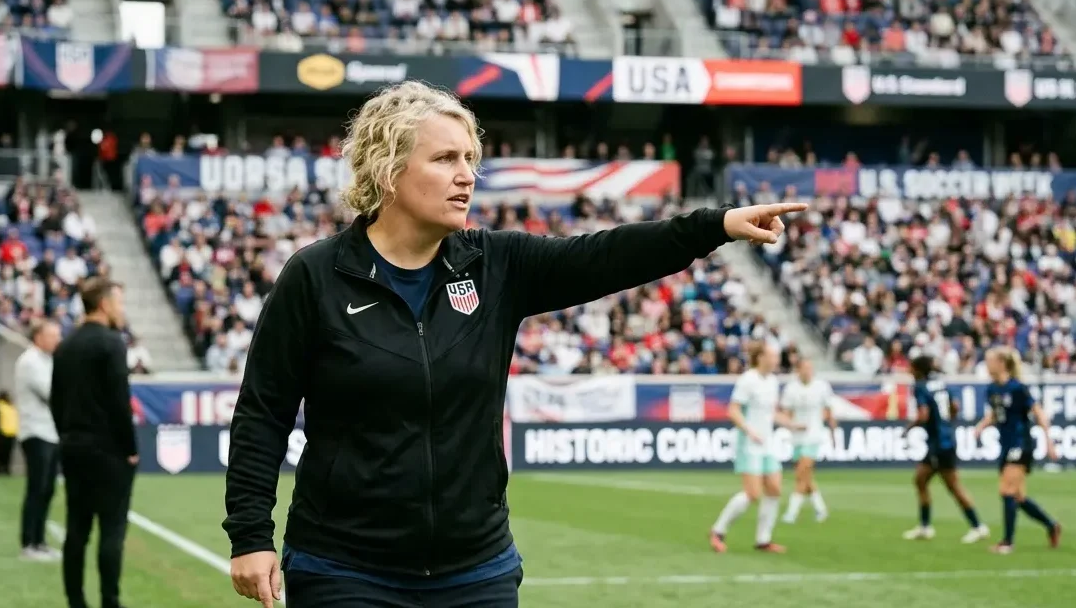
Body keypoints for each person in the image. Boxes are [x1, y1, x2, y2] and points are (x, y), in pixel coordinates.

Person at [222, 80, 807, 608]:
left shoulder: (494, 264)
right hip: (343, 570)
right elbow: (263, 413)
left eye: (470, 159)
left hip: (476, 571)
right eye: (446, 158)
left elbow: (604, 256)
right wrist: (251, 536)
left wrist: (716, 225)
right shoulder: (316, 277)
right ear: (388, 171)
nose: (467, 175)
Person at [51, 277, 138, 608]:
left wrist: (67, 436)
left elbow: (56, 400)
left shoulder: (65, 344)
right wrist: (130, 449)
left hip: (73, 446)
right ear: (103, 304)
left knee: (76, 530)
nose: (121, 309)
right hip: (108, 450)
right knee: (112, 530)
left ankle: (75, 601)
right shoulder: (111, 343)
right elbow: (120, 402)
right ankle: (109, 601)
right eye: (118, 302)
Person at [710, 342, 799, 554]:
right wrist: (749, 430)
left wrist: (791, 424)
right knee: (752, 493)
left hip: (767, 443)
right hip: (749, 443)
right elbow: (733, 411)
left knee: (775, 489)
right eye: (773, 356)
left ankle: (763, 540)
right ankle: (718, 531)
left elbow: (770, 413)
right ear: (760, 357)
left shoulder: (773, 381)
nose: (777, 360)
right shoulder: (748, 380)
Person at [973, 348, 1061, 554]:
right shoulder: (992, 389)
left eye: (989, 361)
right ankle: (1051, 525)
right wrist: (981, 426)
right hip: (1005, 444)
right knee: (1018, 497)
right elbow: (996, 413)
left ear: (1002, 363)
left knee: (1007, 491)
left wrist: (1049, 441)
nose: (986, 365)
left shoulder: (1018, 388)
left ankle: (1007, 542)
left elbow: (1038, 413)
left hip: (1021, 443)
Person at [901, 355, 988, 543]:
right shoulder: (941, 383)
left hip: (939, 445)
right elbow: (955, 406)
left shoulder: (920, 387)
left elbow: (923, 415)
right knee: (920, 480)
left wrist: (908, 428)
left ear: (917, 370)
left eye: (911, 368)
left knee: (951, 486)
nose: (909, 371)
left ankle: (977, 526)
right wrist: (947, 423)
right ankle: (925, 526)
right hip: (945, 439)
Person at [16, 320, 63, 561]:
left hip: (51, 432)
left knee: (48, 489)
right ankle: (28, 543)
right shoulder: (30, 361)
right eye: (53, 335)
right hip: (36, 432)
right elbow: (52, 393)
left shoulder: (48, 360)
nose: (58, 340)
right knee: (37, 487)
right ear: (38, 337)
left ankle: (40, 540)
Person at [780, 358, 837, 524]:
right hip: (796, 438)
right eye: (805, 368)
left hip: (813, 436)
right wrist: (791, 426)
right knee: (806, 476)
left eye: (810, 368)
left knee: (801, 474)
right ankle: (821, 509)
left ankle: (792, 512)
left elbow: (828, 410)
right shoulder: (791, 389)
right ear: (798, 370)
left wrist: (833, 430)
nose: (808, 371)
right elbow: (787, 413)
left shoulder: (821, 386)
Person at [0, 391, 19, 475]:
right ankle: (0, 470)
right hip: (3, 432)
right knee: (2, 453)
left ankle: (4, 469)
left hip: (10, 432)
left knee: (6, 453)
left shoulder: (10, 406)